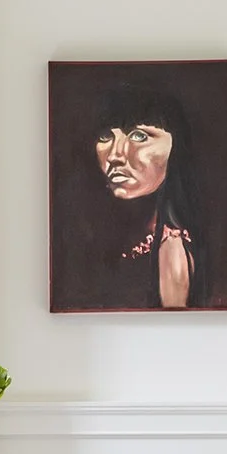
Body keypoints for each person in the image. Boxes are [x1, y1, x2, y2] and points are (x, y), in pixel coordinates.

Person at [87, 80, 205, 310]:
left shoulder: (170, 250)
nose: (115, 155)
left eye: (139, 136)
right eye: (105, 136)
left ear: (175, 148)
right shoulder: (98, 237)